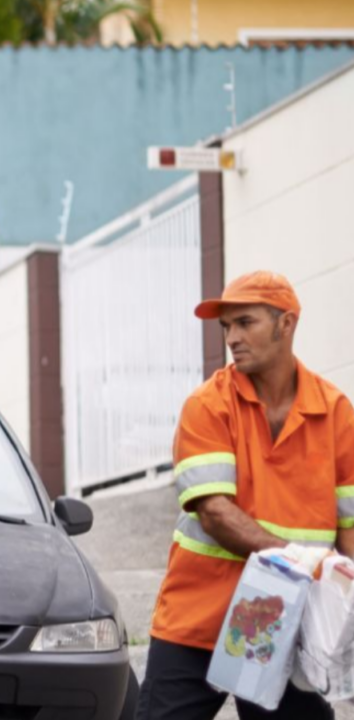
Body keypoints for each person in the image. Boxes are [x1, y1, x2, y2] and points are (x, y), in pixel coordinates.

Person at [137, 271, 354, 720]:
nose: (232, 337)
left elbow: (350, 525)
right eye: (226, 327)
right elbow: (214, 514)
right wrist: (305, 561)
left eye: (246, 322)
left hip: (293, 626)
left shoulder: (335, 412)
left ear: (286, 324)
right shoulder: (208, 405)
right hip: (200, 621)